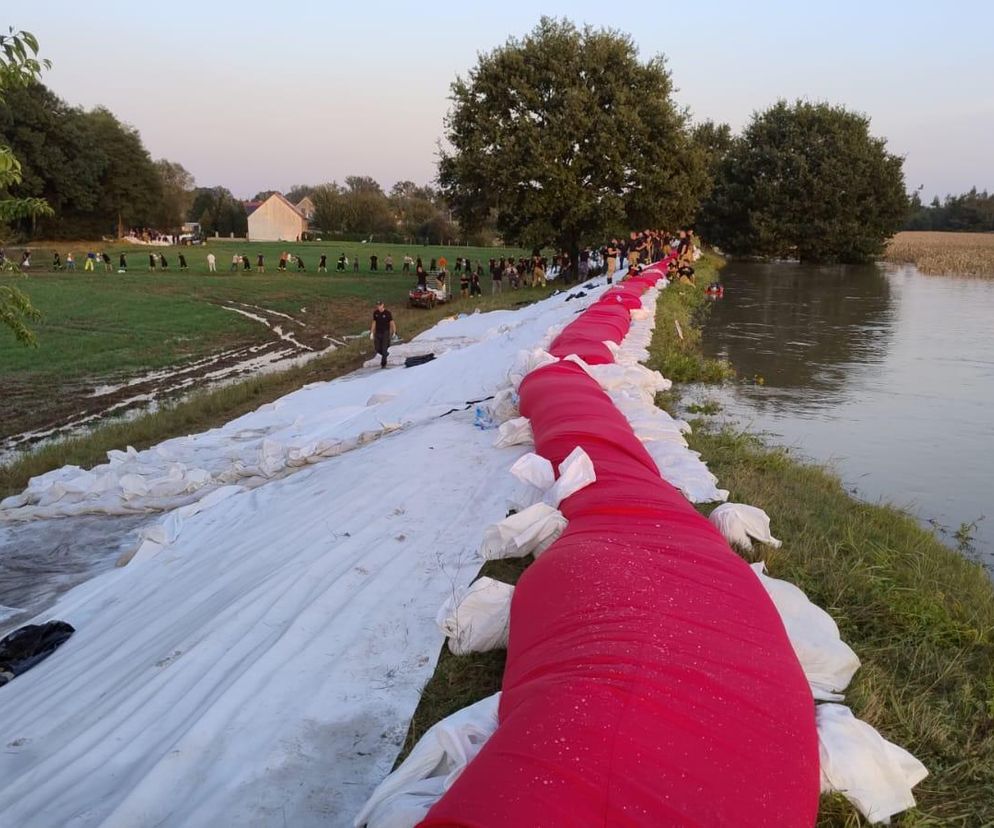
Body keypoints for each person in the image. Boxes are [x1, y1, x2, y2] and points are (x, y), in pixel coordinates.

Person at [370, 300, 395, 369]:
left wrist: (394, 331)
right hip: (378, 332)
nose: (379, 307)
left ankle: (383, 364)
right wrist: (372, 332)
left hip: (385, 332)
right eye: (377, 306)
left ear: (383, 305)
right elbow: (374, 322)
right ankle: (385, 354)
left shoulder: (387, 313)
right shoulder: (375, 313)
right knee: (377, 348)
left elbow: (392, 322)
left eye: (380, 305)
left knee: (384, 348)